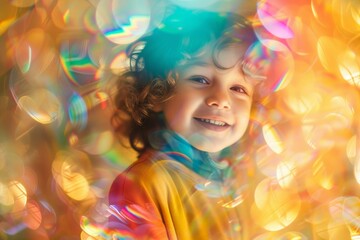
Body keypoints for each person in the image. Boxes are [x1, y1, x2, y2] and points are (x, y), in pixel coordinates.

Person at [109, 6, 263, 239]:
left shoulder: (242, 185)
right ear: (158, 92)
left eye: (238, 88)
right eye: (200, 79)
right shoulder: (143, 184)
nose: (220, 100)